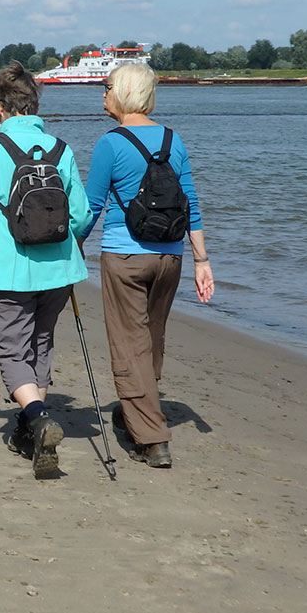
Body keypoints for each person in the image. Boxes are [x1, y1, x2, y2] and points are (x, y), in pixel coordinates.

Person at [0, 62, 92, 478]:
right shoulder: (61, 148)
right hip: (59, 269)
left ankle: (40, 419)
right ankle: (30, 430)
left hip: (7, 271)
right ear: (35, 103)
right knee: (40, 345)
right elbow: (80, 217)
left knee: (8, 349)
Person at [79, 62, 214, 469]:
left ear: (122, 93)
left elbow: (92, 207)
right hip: (169, 258)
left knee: (129, 345)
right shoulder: (173, 140)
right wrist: (202, 261)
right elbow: (190, 203)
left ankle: (153, 439)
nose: (102, 95)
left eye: (106, 88)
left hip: (125, 257)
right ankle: (135, 407)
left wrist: (71, 245)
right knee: (151, 338)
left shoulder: (111, 143)